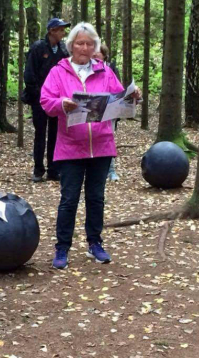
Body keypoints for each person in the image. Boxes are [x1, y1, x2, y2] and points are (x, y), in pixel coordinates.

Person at [40, 22, 140, 270]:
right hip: (70, 145)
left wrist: (133, 96)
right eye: (79, 43)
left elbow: (120, 98)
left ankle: (95, 243)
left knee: (96, 198)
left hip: (102, 144)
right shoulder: (58, 71)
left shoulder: (105, 71)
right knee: (69, 198)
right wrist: (62, 104)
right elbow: (45, 101)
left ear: (95, 46)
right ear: (71, 45)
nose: (84, 47)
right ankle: (62, 247)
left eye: (88, 43)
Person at [23, 18, 71, 182]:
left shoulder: (63, 50)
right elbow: (29, 74)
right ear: (52, 31)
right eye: (61, 30)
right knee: (40, 133)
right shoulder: (38, 48)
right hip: (39, 100)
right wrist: (39, 95)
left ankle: (53, 169)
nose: (63, 33)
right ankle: (38, 169)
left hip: (57, 101)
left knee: (55, 134)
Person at [93, 43, 121, 182]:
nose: (96, 54)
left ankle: (111, 171)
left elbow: (118, 92)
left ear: (104, 55)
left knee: (108, 140)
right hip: (93, 112)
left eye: (99, 52)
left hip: (109, 111)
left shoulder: (111, 69)